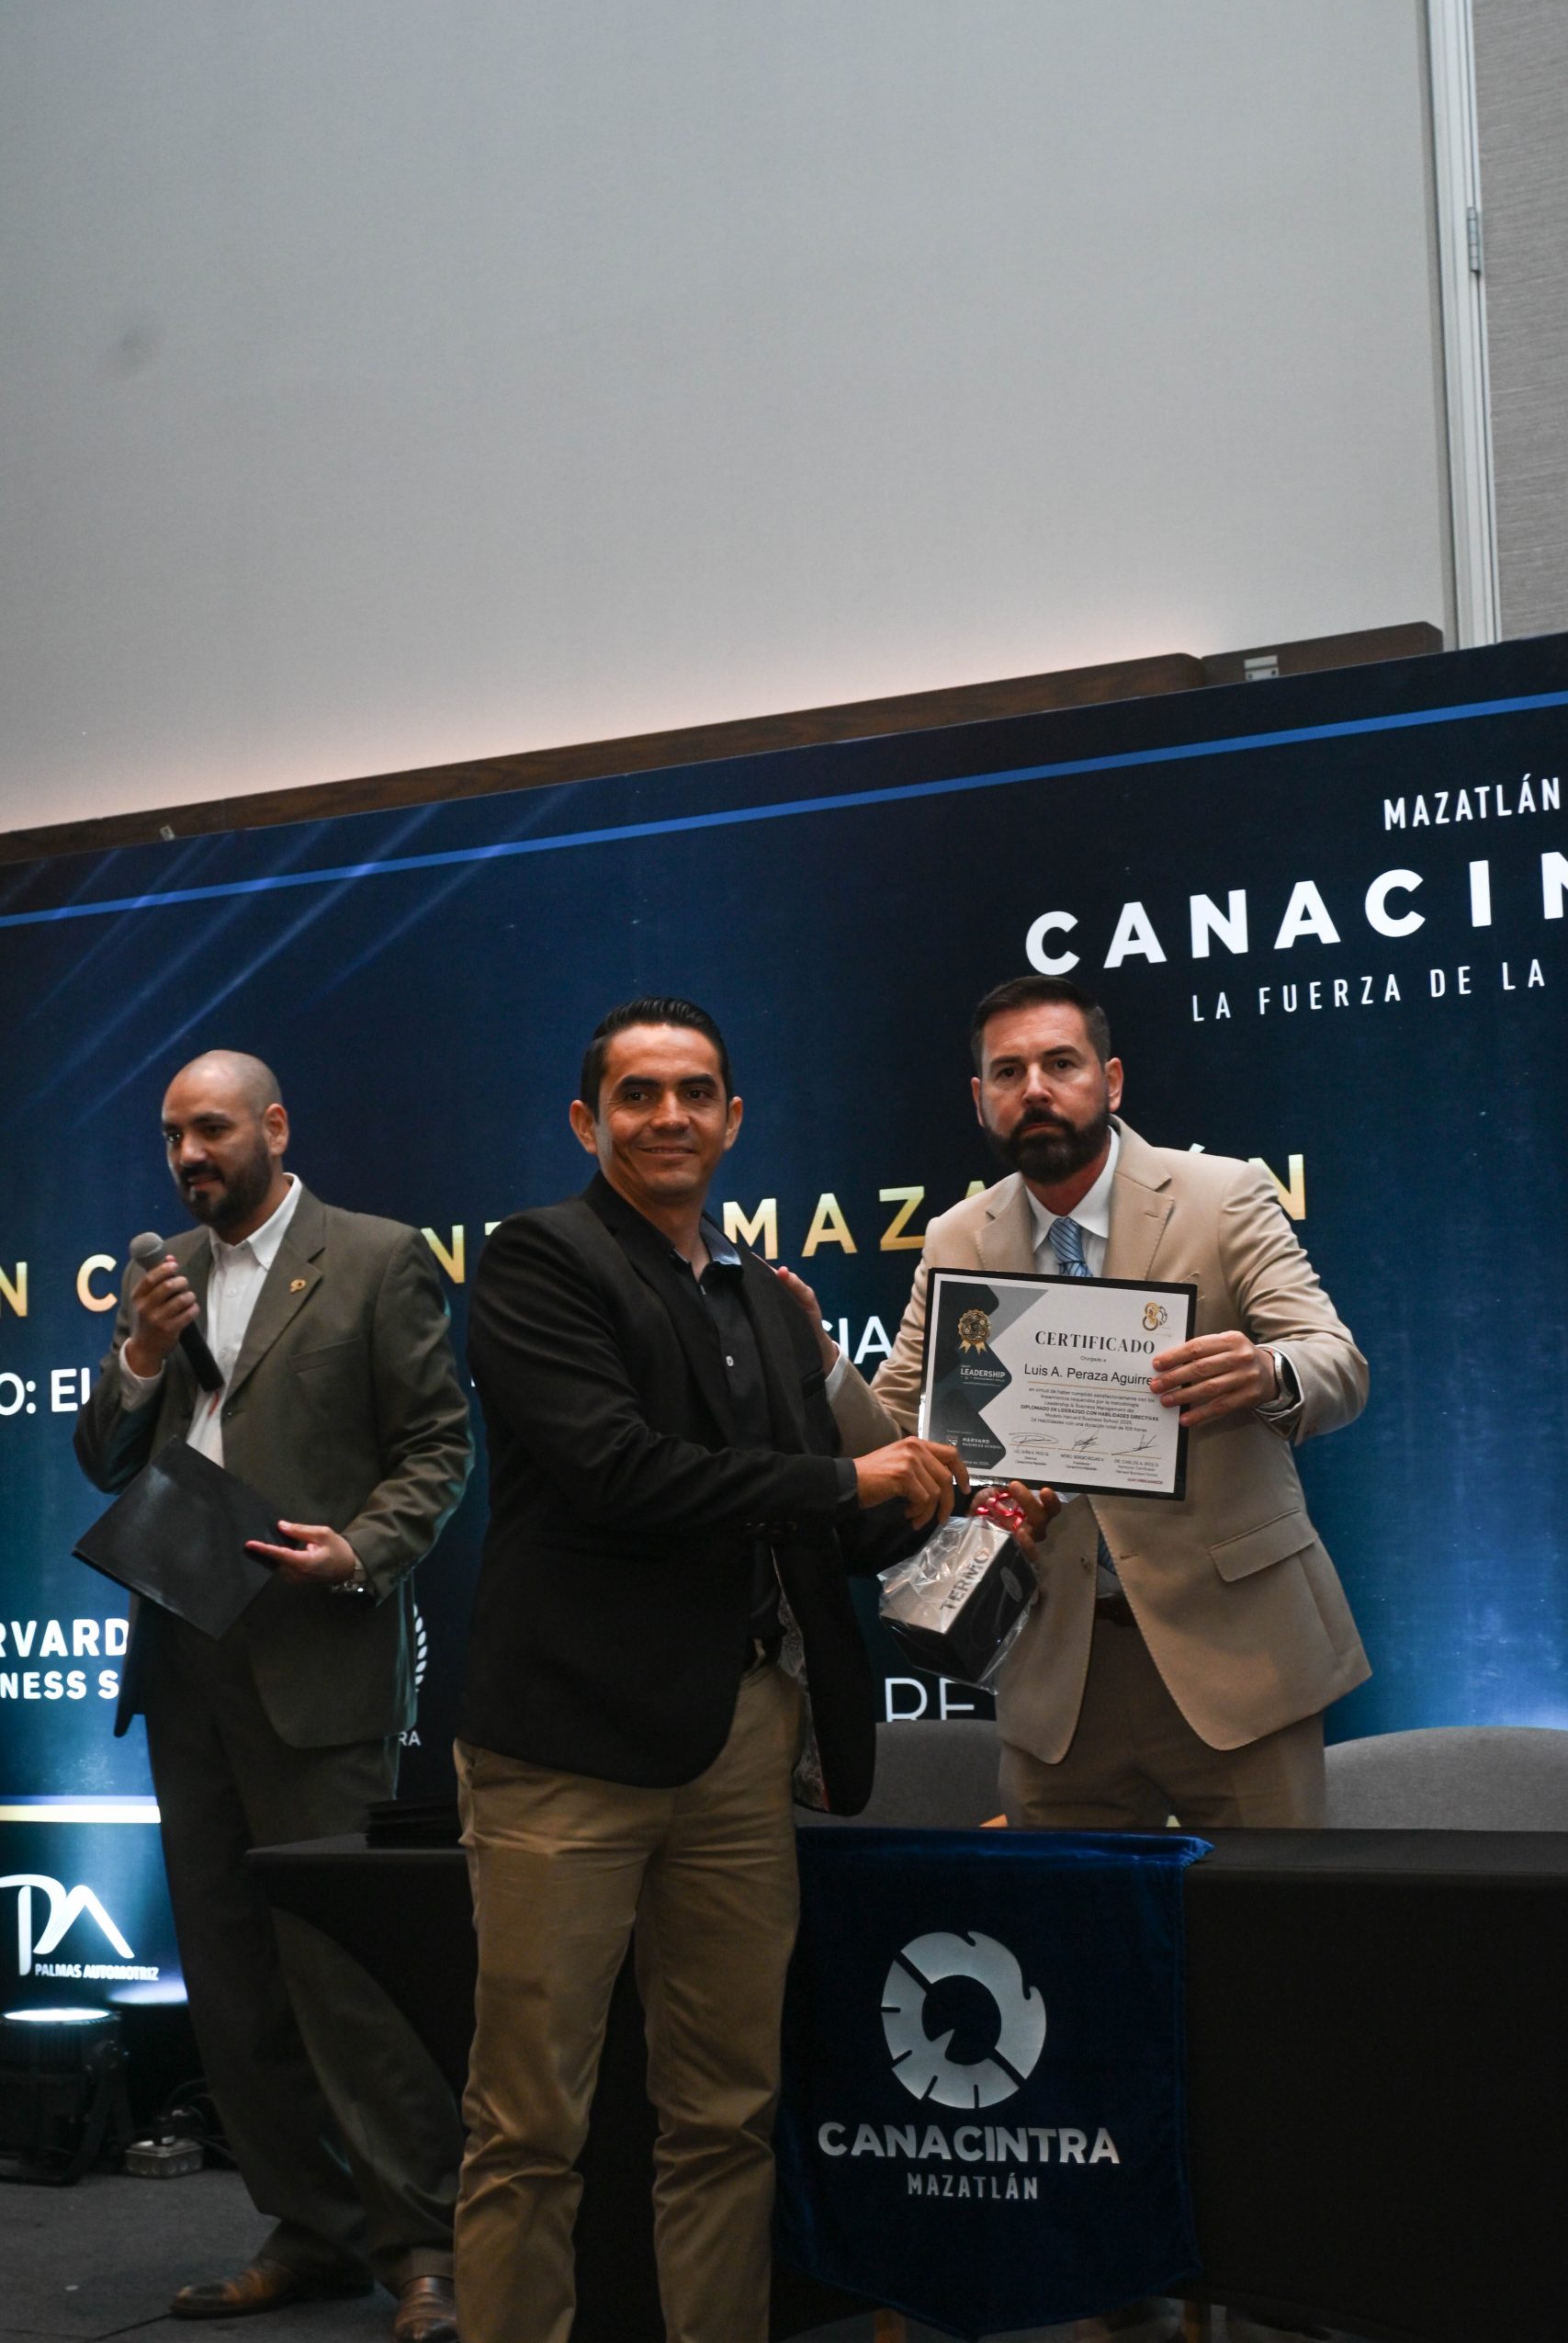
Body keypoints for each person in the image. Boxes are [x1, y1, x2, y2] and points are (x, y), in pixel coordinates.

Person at [454, 997, 967, 2343]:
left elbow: (823, 1524)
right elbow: (619, 1472)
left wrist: (948, 1498)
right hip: (567, 1747)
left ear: (733, 1119)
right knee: (529, 2123)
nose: (667, 1116)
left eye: (694, 1093)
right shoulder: (539, 1260)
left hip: (741, 1740)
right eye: (637, 1094)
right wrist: (851, 1477)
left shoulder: (764, 1299)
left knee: (728, 2110)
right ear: (588, 1119)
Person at [74, 1050, 473, 2340]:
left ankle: (423, 2246)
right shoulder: (162, 1278)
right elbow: (101, 1455)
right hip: (184, 1654)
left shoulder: (375, 1257)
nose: (190, 1155)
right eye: (172, 1136)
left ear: (275, 1126)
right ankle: (310, 2231)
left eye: (212, 1128)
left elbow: (438, 1448)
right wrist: (141, 1354)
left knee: (343, 1977)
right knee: (231, 1983)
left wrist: (360, 1548)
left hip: (315, 1656)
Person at [784, 972, 1370, 1834]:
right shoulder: (957, 1237)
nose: (1036, 1090)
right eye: (1009, 1072)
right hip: (1055, 1671)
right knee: (1064, 1918)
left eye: (1060, 1064)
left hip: (1235, 1656)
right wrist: (821, 1356)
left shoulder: (1220, 1195)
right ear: (980, 1100)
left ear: (1111, 1080)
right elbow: (900, 1433)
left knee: (1270, 1912)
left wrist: (1268, 1372)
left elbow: (1337, 1364)